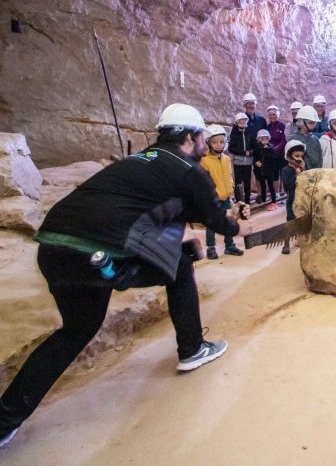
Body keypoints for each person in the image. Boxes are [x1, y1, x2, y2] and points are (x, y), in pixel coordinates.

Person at [0, 104, 255, 449]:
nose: (204, 143)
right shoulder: (187, 170)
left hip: (53, 247)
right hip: (95, 255)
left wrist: (193, 232)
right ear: (192, 137)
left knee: (75, 330)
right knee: (180, 264)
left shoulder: (138, 161)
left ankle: (5, 419)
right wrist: (241, 227)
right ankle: (192, 349)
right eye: (202, 137)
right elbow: (216, 220)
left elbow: (151, 211)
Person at [202, 124, 245, 257]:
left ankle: (229, 245)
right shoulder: (204, 161)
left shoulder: (226, 159)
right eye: (214, 142)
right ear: (208, 143)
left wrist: (231, 191)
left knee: (229, 221)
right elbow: (204, 182)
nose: (218, 145)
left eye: (221, 142)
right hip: (213, 199)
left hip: (226, 197)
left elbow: (229, 176)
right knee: (211, 223)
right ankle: (211, 247)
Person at [280, 140, 306, 255]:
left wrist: (304, 171)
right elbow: (287, 187)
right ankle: (286, 244)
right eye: (296, 156)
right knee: (290, 221)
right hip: (292, 199)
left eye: (301, 156)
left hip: (302, 199)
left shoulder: (303, 168)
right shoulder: (286, 170)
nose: (299, 158)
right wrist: (296, 175)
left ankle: (301, 240)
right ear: (289, 156)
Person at [228, 112, 254, 204]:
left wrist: (251, 152)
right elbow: (231, 148)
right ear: (236, 122)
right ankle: (239, 201)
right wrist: (243, 153)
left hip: (248, 163)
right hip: (238, 162)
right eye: (240, 121)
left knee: (247, 182)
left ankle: (247, 201)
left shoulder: (249, 132)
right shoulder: (234, 133)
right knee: (238, 183)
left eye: (244, 120)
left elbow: (254, 145)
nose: (242, 122)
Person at [289, 105, 323, 170]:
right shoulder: (293, 140)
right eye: (310, 123)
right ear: (301, 122)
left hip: (315, 175)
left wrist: (317, 172)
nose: (313, 125)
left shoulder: (315, 139)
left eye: (314, 123)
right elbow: (291, 162)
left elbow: (320, 158)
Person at [253, 129, 278, 210]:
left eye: (266, 139)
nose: (264, 141)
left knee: (271, 186)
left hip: (269, 171)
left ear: (268, 139)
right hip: (260, 171)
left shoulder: (271, 148)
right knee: (263, 186)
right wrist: (256, 162)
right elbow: (255, 158)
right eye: (262, 139)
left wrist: (267, 150)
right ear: (259, 139)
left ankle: (274, 201)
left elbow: (273, 158)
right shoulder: (257, 148)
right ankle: (263, 200)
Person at [265, 105, 286, 199]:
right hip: (271, 155)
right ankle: (276, 193)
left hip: (281, 154)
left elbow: (284, 140)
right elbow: (265, 139)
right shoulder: (267, 127)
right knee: (274, 174)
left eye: (274, 114)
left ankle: (286, 193)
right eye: (270, 114)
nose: (272, 116)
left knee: (284, 174)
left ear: (278, 115)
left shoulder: (282, 126)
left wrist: (276, 148)